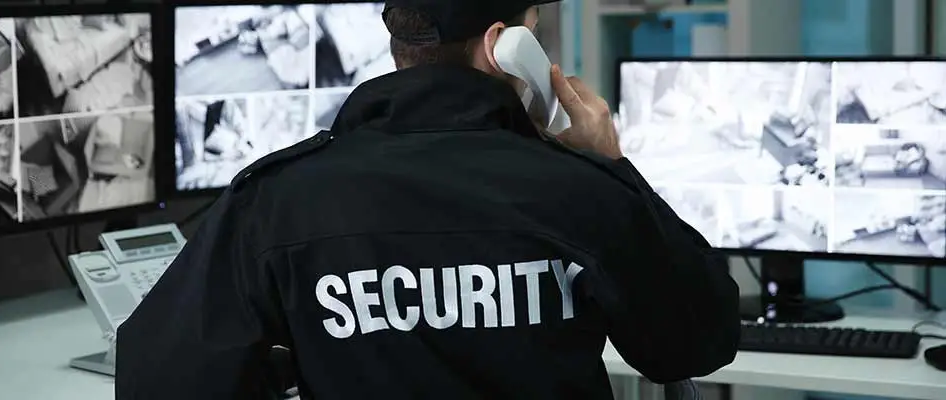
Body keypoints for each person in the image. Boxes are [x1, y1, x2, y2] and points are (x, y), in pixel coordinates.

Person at [115, 0, 740, 398]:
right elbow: (698, 343)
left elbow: (157, 377)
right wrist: (613, 165)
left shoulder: (276, 198)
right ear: (504, 48)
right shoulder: (578, 189)